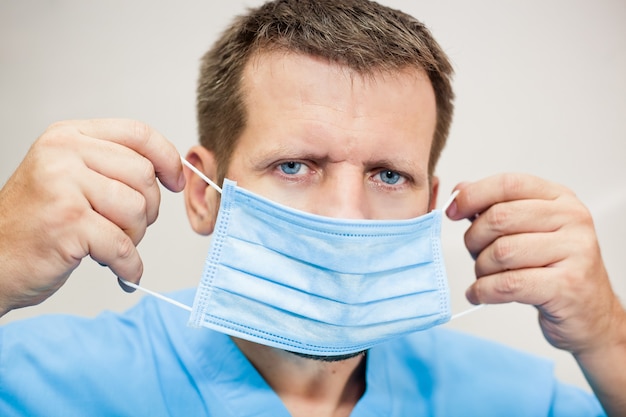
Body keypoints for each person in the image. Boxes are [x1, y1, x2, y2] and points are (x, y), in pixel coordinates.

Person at [0, 0, 624, 416]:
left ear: (431, 208)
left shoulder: (518, 400)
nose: (345, 216)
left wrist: (607, 337)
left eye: (387, 175)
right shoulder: (35, 380)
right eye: (294, 166)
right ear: (203, 193)